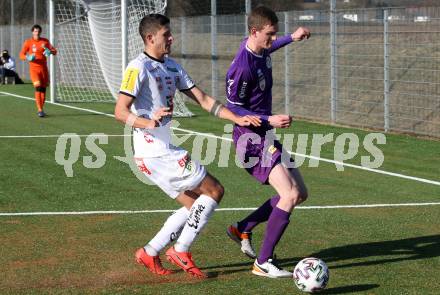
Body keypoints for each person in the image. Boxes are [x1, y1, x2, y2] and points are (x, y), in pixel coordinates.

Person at [114, 14, 260, 279]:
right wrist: (149, 122)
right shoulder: (138, 67)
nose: (171, 38)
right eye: (166, 34)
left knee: (194, 205)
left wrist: (237, 118)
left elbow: (203, 99)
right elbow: (120, 111)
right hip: (155, 151)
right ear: (150, 38)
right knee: (215, 190)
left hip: (155, 153)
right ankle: (181, 249)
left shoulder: (172, 66)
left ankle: (150, 250)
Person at [225, 6, 311, 278]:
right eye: (270, 35)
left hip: (265, 135)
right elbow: (234, 110)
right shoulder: (242, 67)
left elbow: (269, 48)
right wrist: (268, 120)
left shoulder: (259, 49)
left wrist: (291, 37)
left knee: (301, 193)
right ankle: (263, 262)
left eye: (275, 35)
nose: (273, 40)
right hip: (250, 139)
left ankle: (243, 227)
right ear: (254, 32)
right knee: (290, 195)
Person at [20, 24, 57, 117]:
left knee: (43, 90)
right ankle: (39, 110)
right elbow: (21, 55)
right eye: (35, 31)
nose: (37, 33)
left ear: (40, 32)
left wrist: (50, 51)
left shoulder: (45, 41)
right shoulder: (28, 42)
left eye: (38, 31)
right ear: (32, 32)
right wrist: (27, 57)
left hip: (43, 69)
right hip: (34, 70)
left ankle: (41, 109)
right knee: (38, 87)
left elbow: (54, 51)